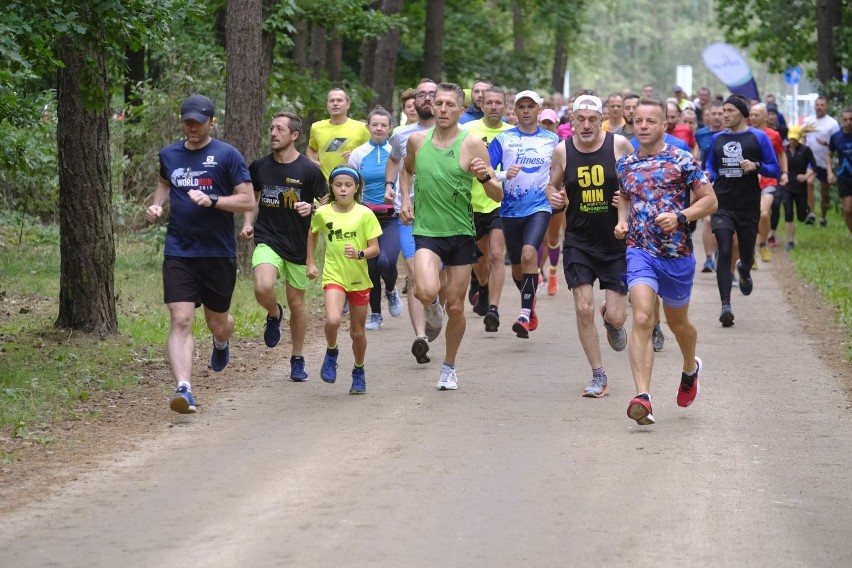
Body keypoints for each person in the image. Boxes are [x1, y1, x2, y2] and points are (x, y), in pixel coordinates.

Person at [145, 94, 255, 414]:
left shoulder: (227, 155)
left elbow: (247, 201)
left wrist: (214, 201)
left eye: (198, 122)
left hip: (218, 252)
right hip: (179, 250)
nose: (192, 127)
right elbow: (165, 183)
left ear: (211, 122)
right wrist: (157, 205)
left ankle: (221, 342)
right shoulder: (169, 154)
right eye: (187, 122)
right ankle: (184, 388)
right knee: (180, 319)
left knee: (217, 321)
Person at [615, 97, 718, 426]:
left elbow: (710, 200)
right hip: (640, 251)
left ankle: (691, 366)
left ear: (663, 125)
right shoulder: (626, 164)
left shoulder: (682, 159)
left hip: (676, 255)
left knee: (678, 325)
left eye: (650, 121)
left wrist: (681, 216)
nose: (643, 126)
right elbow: (626, 198)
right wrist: (622, 221)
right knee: (643, 317)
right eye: (638, 121)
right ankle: (642, 397)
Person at [400, 82, 502, 390]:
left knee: (456, 306)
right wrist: (405, 199)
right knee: (424, 290)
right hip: (427, 231)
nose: (443, 109)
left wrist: (484, 175)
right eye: (438, 103)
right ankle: (432, 312)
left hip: (460, 233)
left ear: (460, 110)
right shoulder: (417, 141)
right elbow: (406, 170)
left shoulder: (472, 144)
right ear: (432, 107)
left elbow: (496, 195)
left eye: (449, 105)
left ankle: (449, 366)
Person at [548, 94, 635, 397]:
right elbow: (552, 185)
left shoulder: (619, 145)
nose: (586, 125)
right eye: (580, 119)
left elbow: (637, 182)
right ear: (571, 120)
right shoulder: (563, 151)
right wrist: (554, 197)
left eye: (592, 119)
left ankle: (610, 319)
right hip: (579, 241)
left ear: (602, 120)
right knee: (582, 307)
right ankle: (598, 374)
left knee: (617, 316)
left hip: (615, 241)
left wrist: (626, 198)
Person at [241, 112, 327, 382]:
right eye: (271, 128)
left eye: (279, 129)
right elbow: (252, 197)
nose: (273, 133)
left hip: (299, 244)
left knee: (297, 303)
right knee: (263, 286)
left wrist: (312, 206)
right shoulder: (260, 166)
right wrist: (247, 222)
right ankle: (274, 313)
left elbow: (328, 201)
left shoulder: (309, 169)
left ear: (295, 135)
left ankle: (298, 358)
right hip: (268, 237)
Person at [488, 90, 560, 337]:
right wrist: (502, 175)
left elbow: (561, 170)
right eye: (522, 107)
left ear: (539, 110)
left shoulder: (552, 140)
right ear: (515, 111)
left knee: (530, 254)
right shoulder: (504, 139)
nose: (527, 110)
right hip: (509, 210)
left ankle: (524, 313)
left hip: (539, 207)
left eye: (531, 106)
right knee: (518, 268)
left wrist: (560, 192)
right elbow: (486, 170)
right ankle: (530, 303)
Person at [705, 95, 780, 327]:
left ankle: (745, 269)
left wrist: (756, 166)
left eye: (729, 110)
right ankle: (725, 305)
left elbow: (774, 168)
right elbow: (710, 165)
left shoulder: (758, 137)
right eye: (722, 110)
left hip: (748, 205)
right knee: (725, 249)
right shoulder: (717, 139)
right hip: (723, 203)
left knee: (746, 253)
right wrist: (709, 175)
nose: (724, 115)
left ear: (742, 113)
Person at [306, 166, 382, 395]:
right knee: (333, 319)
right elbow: (312, 233)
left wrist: (359, 253)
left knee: (358, 333)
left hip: (359, 279)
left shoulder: (365, 214)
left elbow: (375, 249)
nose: (343, 189)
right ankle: (331, 352)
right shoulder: (323, 213)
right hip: (334, 275)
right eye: (338, 185)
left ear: (356, 188)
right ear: (332, 187)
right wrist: (310, 262)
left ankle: (358, 371)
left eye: (348, 185)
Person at [385, 78, 438, 364]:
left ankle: (434, 308)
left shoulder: (455, 133)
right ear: (414, 102)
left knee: (434, 277)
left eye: (433, 94)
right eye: (422, 95)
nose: (427, 99)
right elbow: (394, 160)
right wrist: (389, 185)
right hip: (409, 211)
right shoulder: (402, 134)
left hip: (441, 213)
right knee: (414, 273)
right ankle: (421, 337)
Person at [349, 106, 404, 331]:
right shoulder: (358, 153)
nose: (379, 128)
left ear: (390, 128)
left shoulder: (397, 152)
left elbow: (407, 180)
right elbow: (349, 183)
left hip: (391, 217)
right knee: (370, 268)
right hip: (366, 217)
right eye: (375, 125)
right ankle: (376, 315)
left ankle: (391, 290)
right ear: (368, 127)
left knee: (385, 261)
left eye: (383, 125)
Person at [462, 86, 512, 330]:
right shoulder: (467, 131)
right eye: (489, 102)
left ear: (505, 106)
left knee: (495, 256)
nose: (493, 106)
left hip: (501, 202)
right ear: (481, 105)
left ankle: (493, 309)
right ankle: (482, 286)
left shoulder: (512, 134)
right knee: (479, 259)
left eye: (498, 103)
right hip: (472, 202)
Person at [748, 103, 788, 263]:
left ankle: (763, 244)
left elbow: (781, 154)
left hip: (768, 180)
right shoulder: (745, 134)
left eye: (756, 115)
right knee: (751, 217)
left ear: (766, 117)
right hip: (749, 181)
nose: (752, 118)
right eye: (751, 114)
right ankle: (750, 253)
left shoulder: (774, 135)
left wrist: (785, 173)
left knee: (764, 213)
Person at [307, 88, 370, 180]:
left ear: (348, 104)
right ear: (327, 105)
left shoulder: (362, 128)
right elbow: (312, 148)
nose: (335, 103)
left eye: (339, 100)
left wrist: (355, 157)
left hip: (351, 184)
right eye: (331, 101)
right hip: (324, 185)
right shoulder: (316, 127)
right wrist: (312, 161)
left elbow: (371, 155)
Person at [694, 100, 724, 273]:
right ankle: (708, 259)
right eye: (714, 113)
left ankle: (721, 251)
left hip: (728, 182)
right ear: (708, 115)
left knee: (720, 222)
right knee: (707, 220)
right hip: (709, 180)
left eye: (721, 113)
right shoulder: (701, 134)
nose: (717, 117)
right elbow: (700, 154)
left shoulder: (729, 134)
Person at [802, 96, 840, 226]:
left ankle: (823, 217)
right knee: (809, 183)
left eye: (822, 105)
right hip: (811, 161)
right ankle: (811, 213)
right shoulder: (808, 121)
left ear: (826, 106)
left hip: (825, 161)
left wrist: (825, 143)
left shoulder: (832, 123)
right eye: (817, 104)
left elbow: (837, 143)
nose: (819, 107)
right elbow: (803, 138)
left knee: (825, 192)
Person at [781, 125, 816, 250]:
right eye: (791, 139)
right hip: (787, 186)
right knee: (788, 212)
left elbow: (814, 167)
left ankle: (806, 208)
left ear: (799, 138)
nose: (792, 141)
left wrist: (806, 176)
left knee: (801, 217)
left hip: (801, 187)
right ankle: (790, 241)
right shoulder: (783, 151)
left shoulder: (805, 150)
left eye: (795, 139)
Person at [827, 107, 852, 234]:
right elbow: (829, 155)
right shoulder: (836, 137)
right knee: (848, 209)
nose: (848, 122)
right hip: (844, 177)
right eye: (845, 119)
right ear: (842, 120)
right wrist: (830, 172)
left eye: (851, 119)